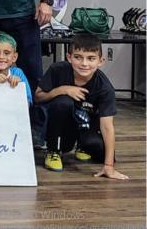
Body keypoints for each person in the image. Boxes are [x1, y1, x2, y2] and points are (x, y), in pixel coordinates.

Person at [34, 34, 128, 180]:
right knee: (63, 101)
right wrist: (62, 90)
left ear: (101, 61)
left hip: (87, 125)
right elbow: (38, 97)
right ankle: (54, 150)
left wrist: (109, 166)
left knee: (99, 151)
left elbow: (107, 127)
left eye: (91, 58)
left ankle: (82, 145)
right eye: (78, 57)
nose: (84, 63)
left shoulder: (105, 88)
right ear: (69, 57)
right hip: (60, 124)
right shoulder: (57, 70)